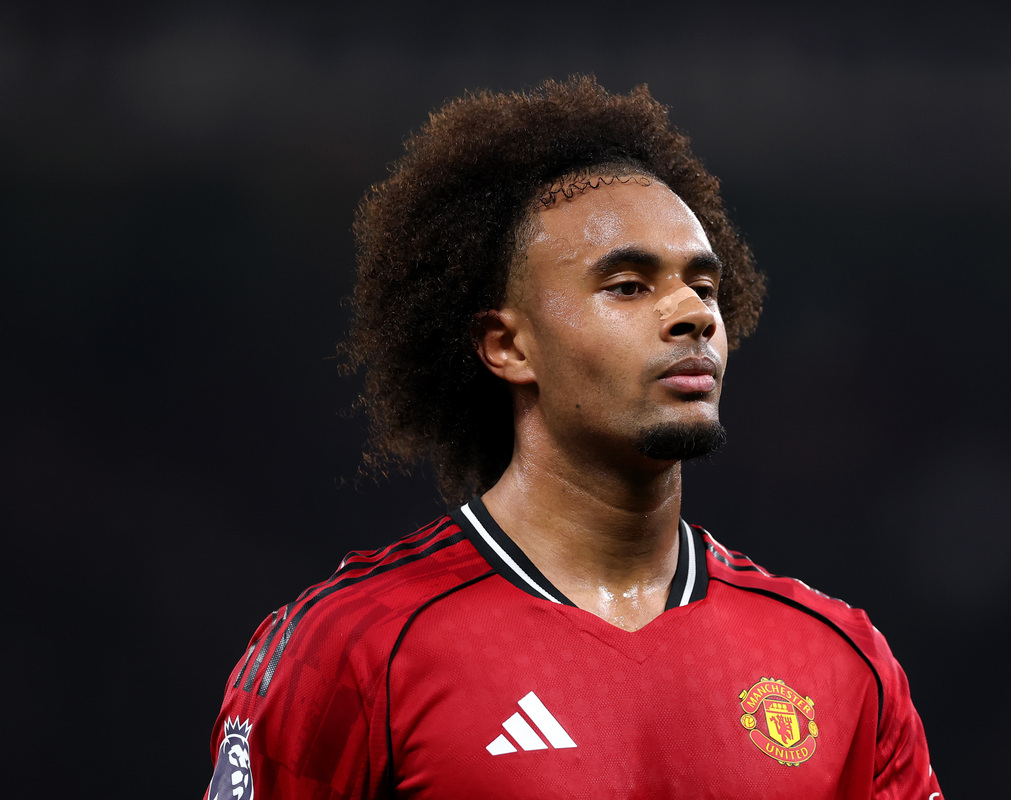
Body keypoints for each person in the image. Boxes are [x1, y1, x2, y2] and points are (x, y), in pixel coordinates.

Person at [205, 76, 943, 800]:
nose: (692, 314)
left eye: (704, 287)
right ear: (508, 347)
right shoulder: (354, 649)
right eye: (628, 285)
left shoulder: (837, 662)